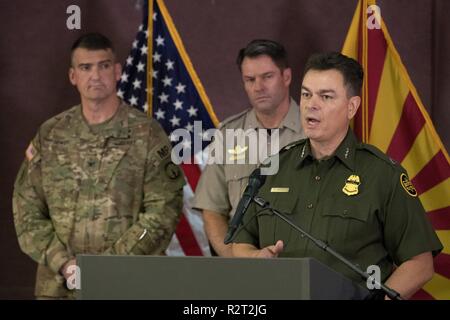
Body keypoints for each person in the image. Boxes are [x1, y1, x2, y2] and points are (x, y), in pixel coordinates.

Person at [232, 52, 443, 299]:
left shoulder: (383, 175)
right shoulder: (272, 169)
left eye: (326, 96)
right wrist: (256, 257)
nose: (311, 104)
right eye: (306, 94)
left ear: (351, 107)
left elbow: (420, 263)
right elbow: (241, 243)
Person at [12, 33, 185, 299]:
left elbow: (164, 211)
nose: (95, 75)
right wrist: (63, 263)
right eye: (85, 67)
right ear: (73, 76)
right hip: (59, 287)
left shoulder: (147, 134)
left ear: (117, 72)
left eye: (103, 66)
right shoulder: (50, 135)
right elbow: (26, 208)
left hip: (128, 286)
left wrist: (108, 265)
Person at [193, 39, 305, 257]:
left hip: (301, 260)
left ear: (287, 77)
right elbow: (212, 210)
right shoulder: (228, 134)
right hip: (243, 265)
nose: (258, 87)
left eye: (267, 77)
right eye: (250, 79)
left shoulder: (314, 130)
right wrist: (236, 261)